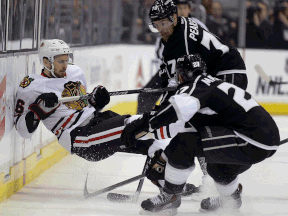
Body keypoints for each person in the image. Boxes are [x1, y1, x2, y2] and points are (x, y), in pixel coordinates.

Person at [121, 54, 280, 215]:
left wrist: (141, 125)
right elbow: (186, 124)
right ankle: (230, 200)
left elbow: (174, 112)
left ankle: (170, 196)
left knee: (185, 142)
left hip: (250, 139)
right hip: (264, 139)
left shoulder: (196, 86)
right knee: (215, 164)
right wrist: (162, 153)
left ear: (182, 74)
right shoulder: (210, 83)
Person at [14, 39, 155, 163]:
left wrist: (96, 101)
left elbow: (83, 107)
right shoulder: (33, 86)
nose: (65, 65)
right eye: (60, 61)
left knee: (151, 144)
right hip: (81, 138)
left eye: (66, 59)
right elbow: (24, 132)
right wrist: (38, 110)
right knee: (133, 124)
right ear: (46, 62)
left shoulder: (75, 71)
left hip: (97, 123)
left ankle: (166, 185)